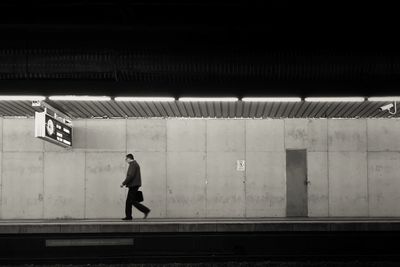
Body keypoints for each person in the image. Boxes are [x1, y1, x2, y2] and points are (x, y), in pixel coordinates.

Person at [121, 154, 150, 220]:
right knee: (131, 201)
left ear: (129, 158)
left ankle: (145, 210)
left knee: (130, 201)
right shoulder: (135, 164)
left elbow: (130, 176)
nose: (126, 161)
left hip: (133, 185)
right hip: (134, 185)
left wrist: (123, 183)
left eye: (126, 159)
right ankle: (129, 216)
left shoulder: (133, 164)